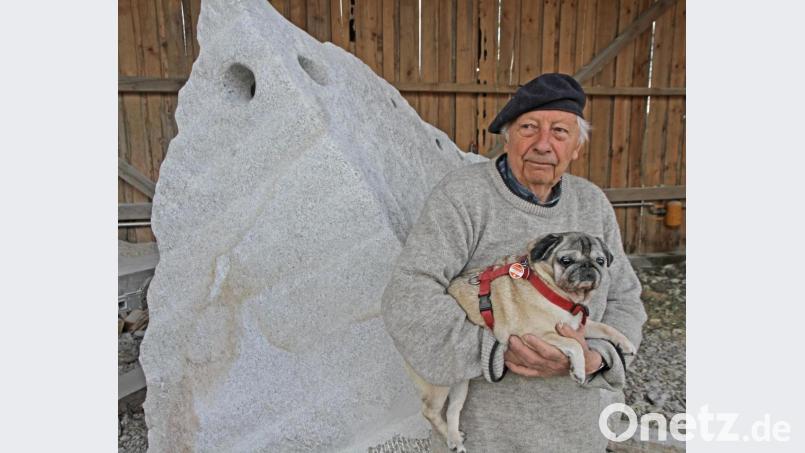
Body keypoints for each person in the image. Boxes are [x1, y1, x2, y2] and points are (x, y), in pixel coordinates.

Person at [381, 73, 647, 452]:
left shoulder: (592, 204)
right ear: (507, 136)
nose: (543, 144)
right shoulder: (463, 197)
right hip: (486, 436)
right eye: (528, 128)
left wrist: (596, 359)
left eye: (559, 131)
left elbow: (625, 297)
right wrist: (495, 352)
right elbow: (409, 294)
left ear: (576, 147)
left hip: (576, 433)